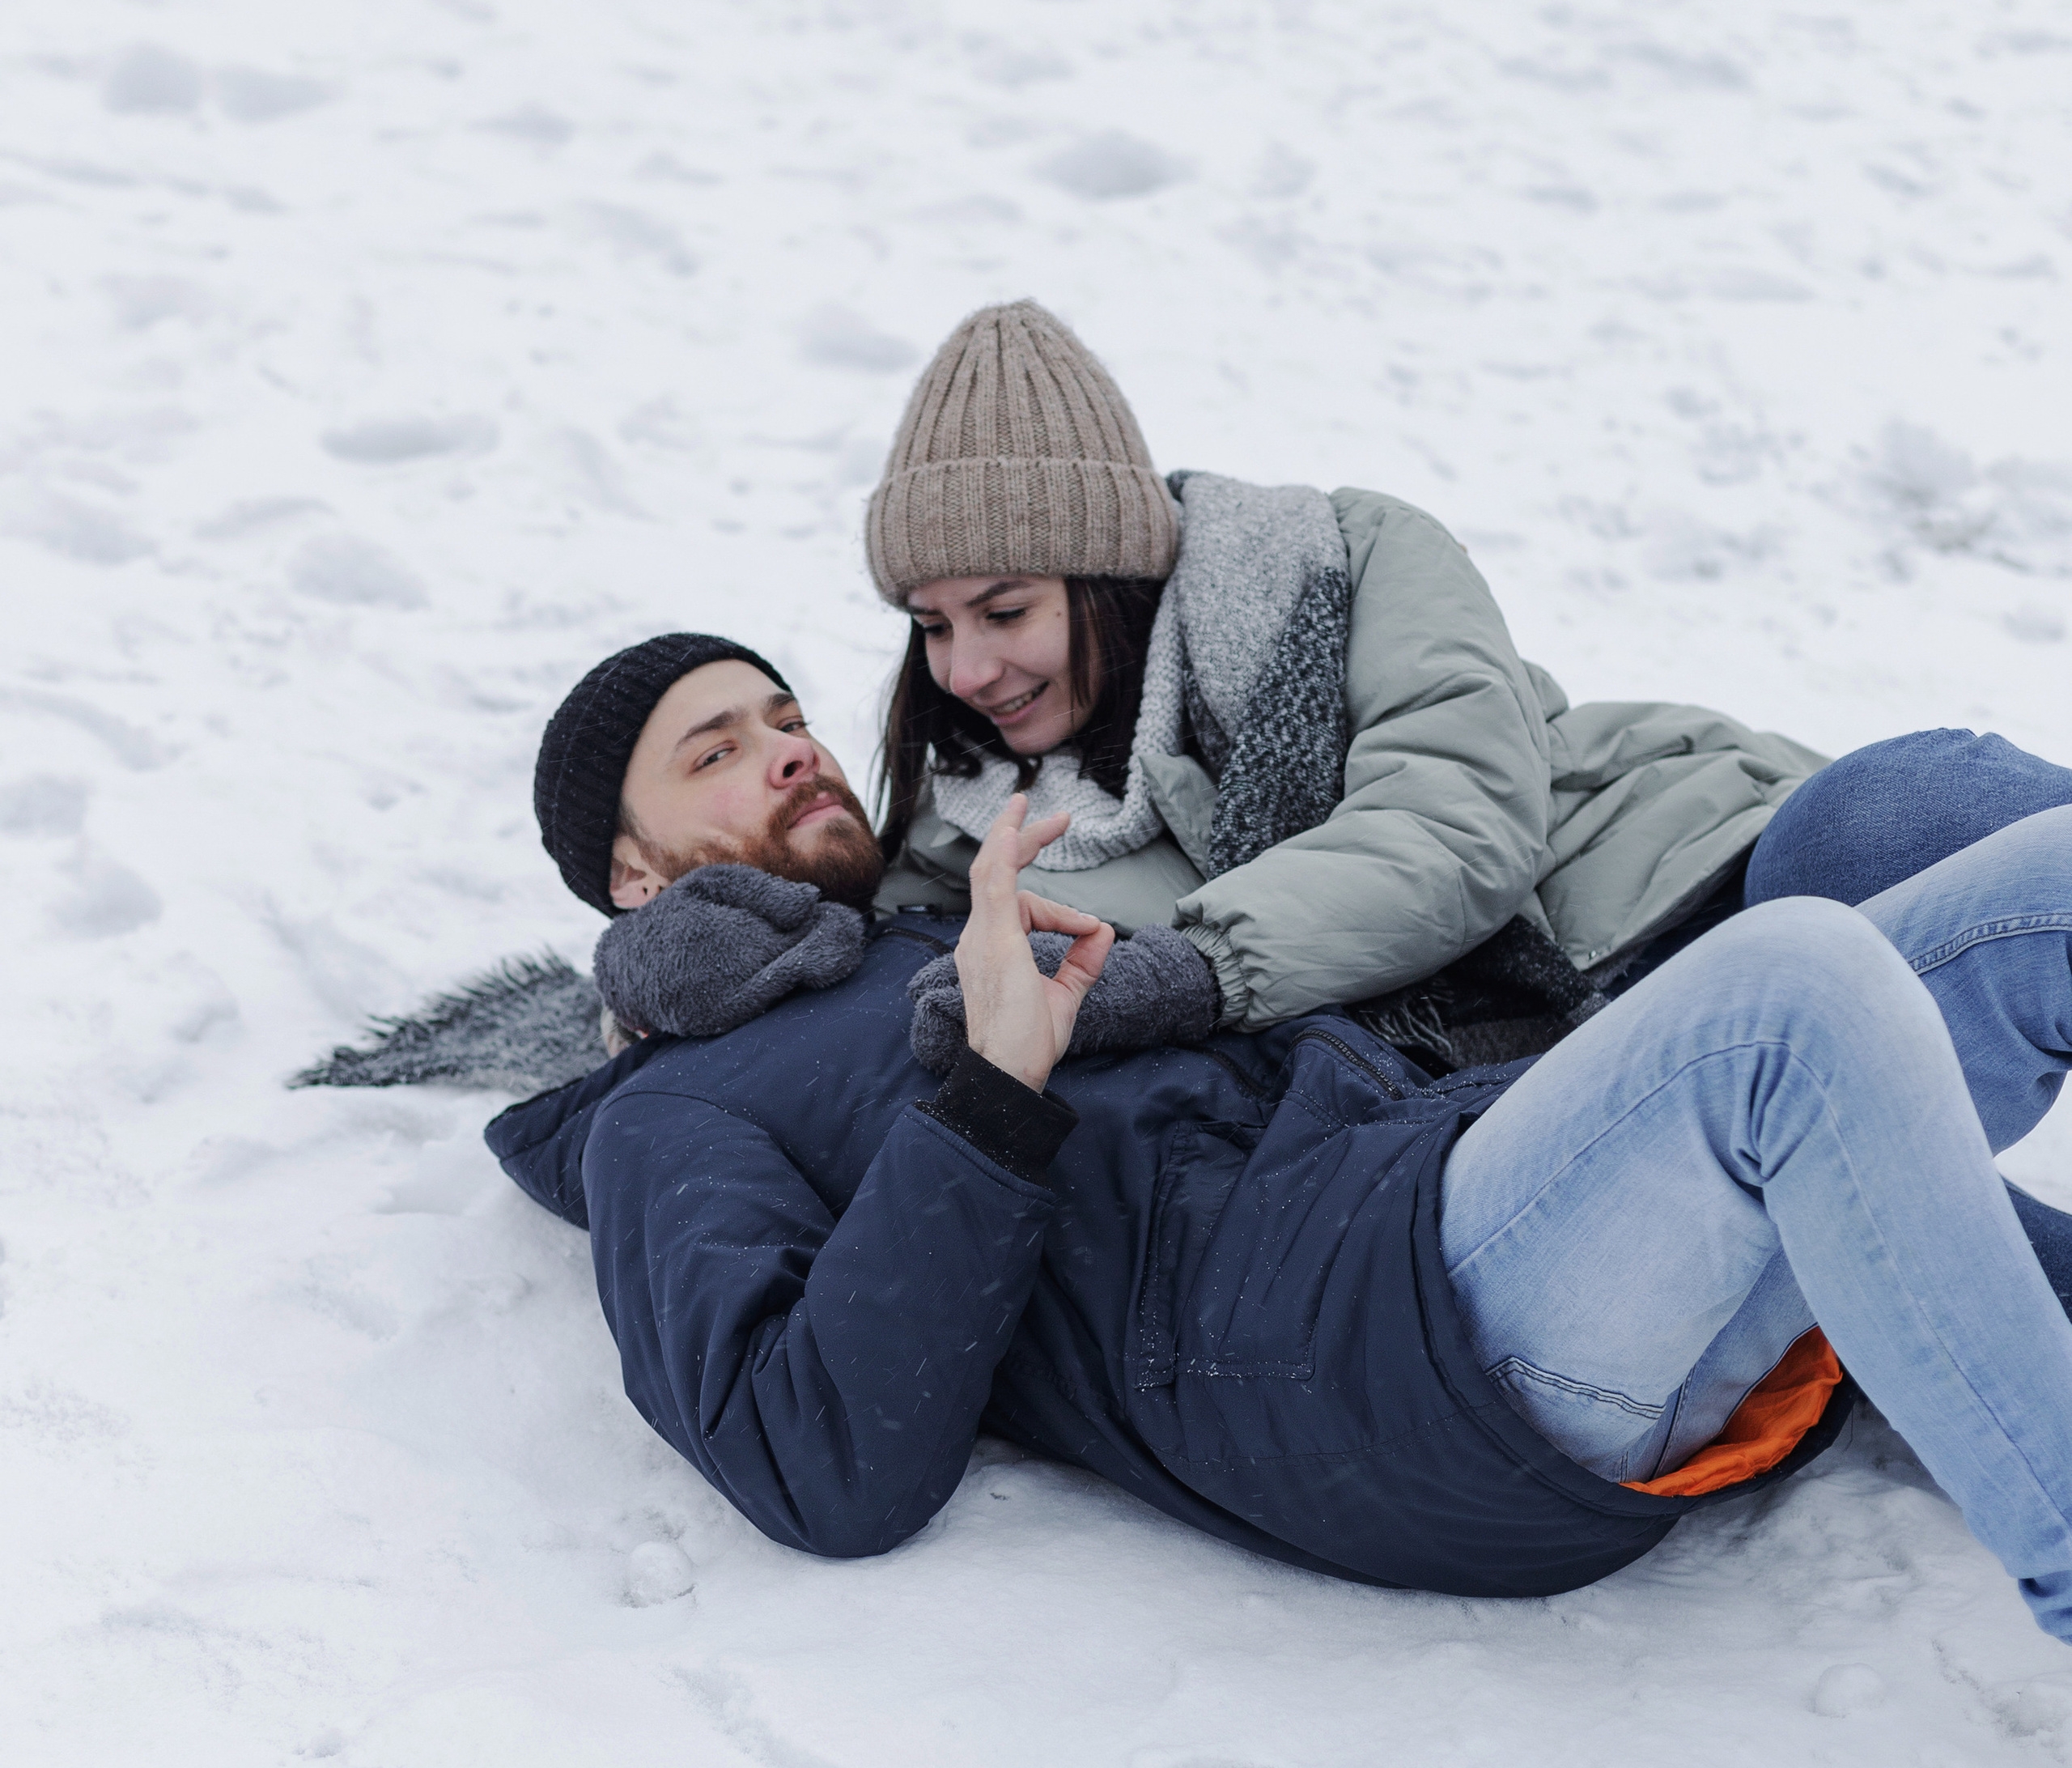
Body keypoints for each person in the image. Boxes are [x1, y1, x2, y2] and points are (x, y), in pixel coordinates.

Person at [493, 631, 2072, 1648]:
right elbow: (812, 1457)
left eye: (784, 717)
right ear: (632, 875)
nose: (789, 748)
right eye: (714, 753)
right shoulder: (670, 1109)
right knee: (1788, 1002)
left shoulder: (941, 926)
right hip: (1338, 1351)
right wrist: (991, 1094)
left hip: (1440, 1202)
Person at [866, 298, 1828, 1065]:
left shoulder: (1337, 560)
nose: (967, 670)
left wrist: (1199, 969)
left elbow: (1451, 827)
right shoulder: (967, 820)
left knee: (1930, 814)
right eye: (932, 626)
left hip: (1692, 871)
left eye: (1004, 612)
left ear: (1113, 579)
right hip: (1579, 1070)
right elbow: (861, 941)